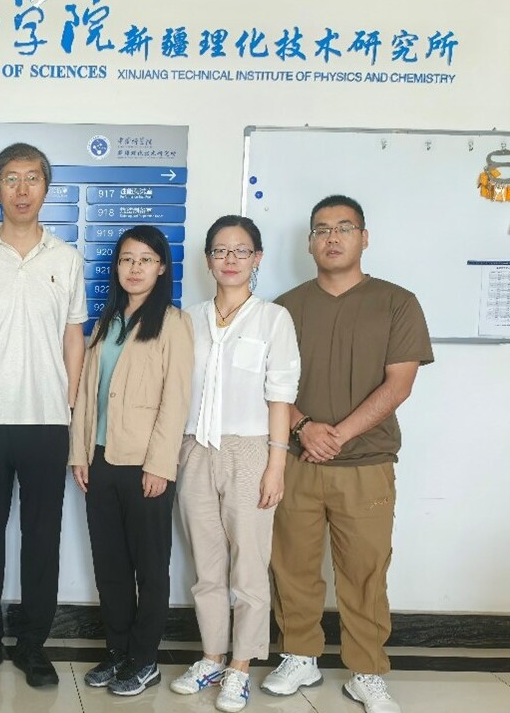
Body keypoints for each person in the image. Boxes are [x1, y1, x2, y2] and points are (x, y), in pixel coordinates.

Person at [261, 195, 433, 713]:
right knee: (292, 565)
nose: (332, 238)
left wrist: (335, 435)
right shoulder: (285, 308)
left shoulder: (397, 302)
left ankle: (366, 671)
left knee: (365, 571)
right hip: (295, 460)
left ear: (364, 237)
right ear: (309, 242)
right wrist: (305, 428)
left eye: (343, 227)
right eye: (321, 229)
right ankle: (300, 655)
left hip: (367, 465)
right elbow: (270, 385)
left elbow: (399, 384)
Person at [0, 143, 87, 688]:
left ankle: (33, 647)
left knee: (42, 540)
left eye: (32, 179)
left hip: (47, 422)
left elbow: (73, 337)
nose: (22, 190)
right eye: (11, 179)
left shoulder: (66, 259)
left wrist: (68, 406)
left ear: (46, 188)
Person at [170, 216, 300, 712]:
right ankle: (211, 657)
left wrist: (275, 465)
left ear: (257, 258)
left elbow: (281, 396)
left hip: (251, 451)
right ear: (208, 259)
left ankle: (240, 667)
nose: (230, 260)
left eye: (241, 251)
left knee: (249, 566)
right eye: (220, 251)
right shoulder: (189, 319)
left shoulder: (273, 319)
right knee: (206, 566)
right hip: (195, 449)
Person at [69, 225, 194, 697]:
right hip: (101, 460)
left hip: (146, 466)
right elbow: (87, 394)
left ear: (161, 267)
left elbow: (176, 399)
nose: (135, 268)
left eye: (145, 259)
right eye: (126, 259)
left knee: (150, 567)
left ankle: (144, 659)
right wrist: (80, 453)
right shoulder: (107, 322)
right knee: (110, 566)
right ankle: (118, 651)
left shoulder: (174, 323)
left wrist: (161, 465)